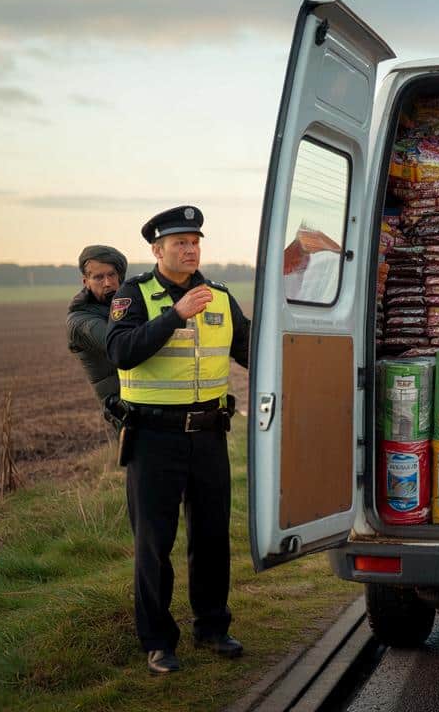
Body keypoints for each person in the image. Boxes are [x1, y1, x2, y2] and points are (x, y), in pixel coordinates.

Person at [106, 205, 251, 674]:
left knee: (211, 538)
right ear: (157, 249)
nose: (190, 250)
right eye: (179, 243)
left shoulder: (221, 296)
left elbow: (254, 351)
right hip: (153, 438)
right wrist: (174, 315)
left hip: (209, 436)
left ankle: (212, 626)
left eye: (195, 242)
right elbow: (121, 352)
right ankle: (157, 640)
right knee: (155, 543)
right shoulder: (134, 294)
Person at [66, 245, 127, 435]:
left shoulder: (124, 307)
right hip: (124, 411)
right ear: (86, 281)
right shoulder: (79, 321)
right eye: (98, 277)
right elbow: (120, 344)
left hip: (152, 402)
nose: (107, 283)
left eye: (112, 275)